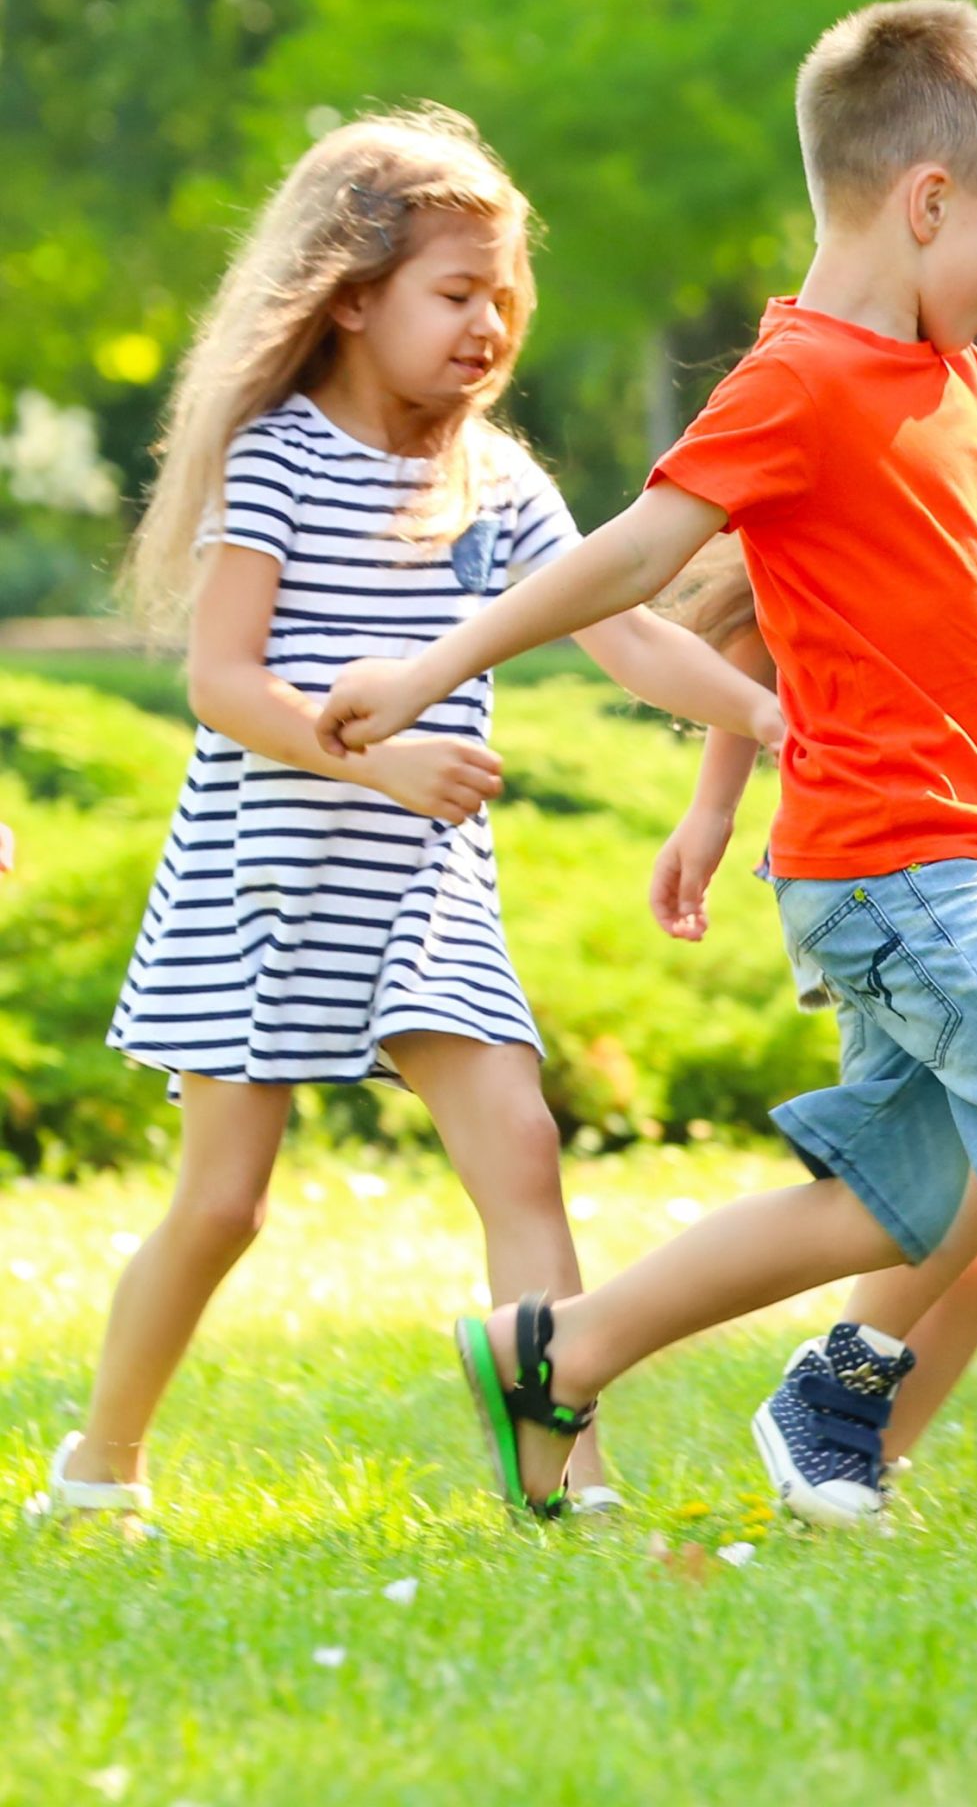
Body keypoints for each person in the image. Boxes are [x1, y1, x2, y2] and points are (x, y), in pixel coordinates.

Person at [316, 0, 977, 1541]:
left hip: (967, 850)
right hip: (894, 859)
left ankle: (559, 1352)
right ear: (927, 202)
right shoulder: (801, 381)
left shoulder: (947, 379)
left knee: (894, 1208)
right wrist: (427, 671)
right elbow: (631, 553)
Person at [49, 107, 781, 1524]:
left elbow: (622, 629)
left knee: (519, 1148)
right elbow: (221, 683)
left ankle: (566, 1476)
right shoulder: (278, 457)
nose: (490, 325)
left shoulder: (492, 477)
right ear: (351, 297)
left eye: (506, 297)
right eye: (456, 294)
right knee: (225, 1206)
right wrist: (375, 761)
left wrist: (758, 714)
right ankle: (101, 1462)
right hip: (264, 879)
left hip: (421, 893)